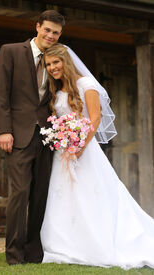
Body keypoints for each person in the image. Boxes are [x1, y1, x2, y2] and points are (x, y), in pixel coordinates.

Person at [40, 43, 154, 270]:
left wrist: (79, 147)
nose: (52, 68)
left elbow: (94, 119)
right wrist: (62, 139)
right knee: (63, 195)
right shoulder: (58, 89)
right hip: (63, 151)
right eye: (49, 64)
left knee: (90, 194)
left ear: (67, 61)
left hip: (85, 150)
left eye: (56, 62)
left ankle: (94, 243)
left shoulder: (87, 85)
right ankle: (64, 243)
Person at [0, 10, 65, 265]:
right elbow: (0, 93)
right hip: (18, 134)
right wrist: (3, 130)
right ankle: (14, 254)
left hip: (47, 136)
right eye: (47, 30)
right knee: (20, 193)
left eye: (56, 32)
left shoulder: (57, 58)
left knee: (40, 193)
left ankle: (34, 252)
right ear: (37, 27)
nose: (51, 35)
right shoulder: (10, 51)